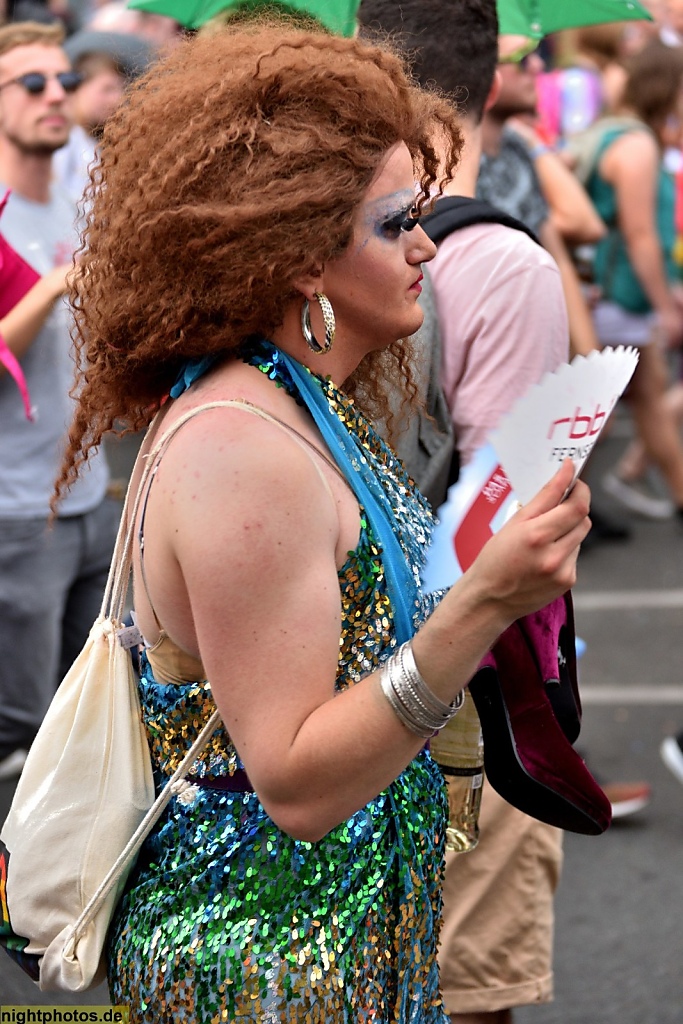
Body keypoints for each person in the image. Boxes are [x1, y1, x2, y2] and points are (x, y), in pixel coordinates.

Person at [54, 21, 590, 1022]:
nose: (427, 245)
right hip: (267, 970)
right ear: (301, 257)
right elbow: (295, 783)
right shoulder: (242, 444)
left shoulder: (294, 402)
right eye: (396, 225)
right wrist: (482, 602)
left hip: (341, 953)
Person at [0, 21, 117, 782]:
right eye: (32, 83)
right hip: (17, 513)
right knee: (17, 722)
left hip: (91, 499)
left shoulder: (82, 206)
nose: (54, 96)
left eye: (63, 82)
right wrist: (52, 287)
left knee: (85, 718)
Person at [574, 39, 683, 521]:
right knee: (591, 417)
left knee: (634, 404)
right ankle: (561, 507)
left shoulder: (617, 131)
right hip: (618, 297)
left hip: (607, 294)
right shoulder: (636, 143)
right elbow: (640, 235)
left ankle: (574, 506)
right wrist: (666, 305)